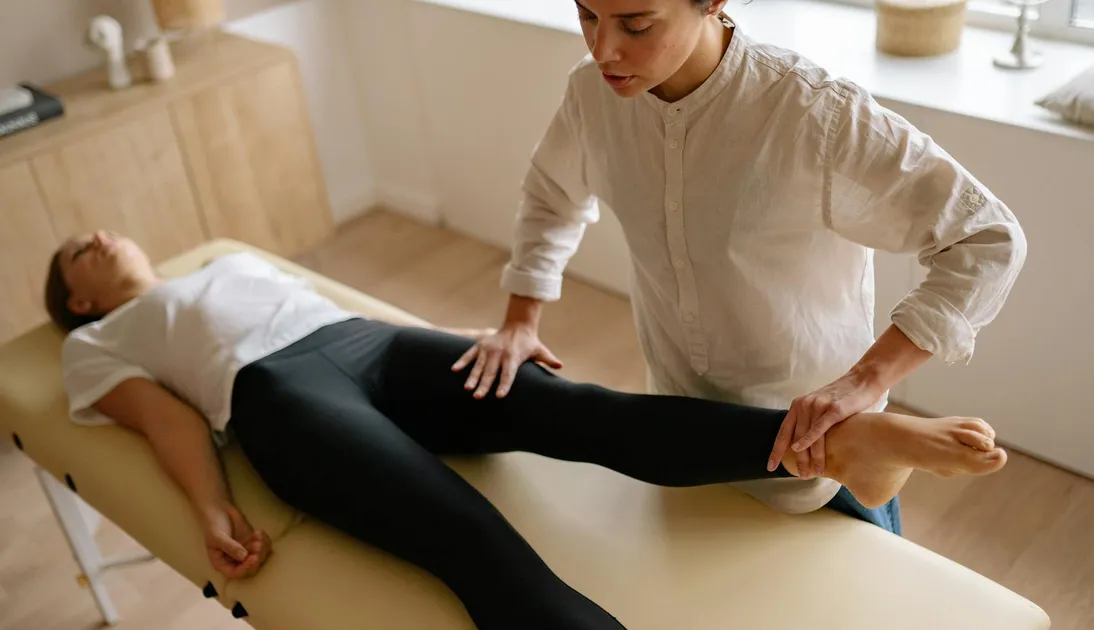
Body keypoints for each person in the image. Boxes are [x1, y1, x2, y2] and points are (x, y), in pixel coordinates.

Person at [47, 230, 1006, 629]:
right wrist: (211, 507)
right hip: (284, 401)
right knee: (470, 542)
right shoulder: (99, 345)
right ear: (80, 300)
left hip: (380, 346)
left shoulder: (227, 261)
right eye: (80, 251)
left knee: (587, 412)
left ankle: (836, 441)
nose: (101, 236)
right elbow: (167, 420)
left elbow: (330, 308)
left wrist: (479, 336)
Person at [455, 0, 1027, 533]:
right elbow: (552, 194)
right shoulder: (591, 92)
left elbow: (987, 237)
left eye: (635, 24)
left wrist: (866, 378)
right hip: (679, 425)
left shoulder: (814, 114)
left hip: (823, 447)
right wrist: (519, 321)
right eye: (585, 14)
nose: (603, 48)